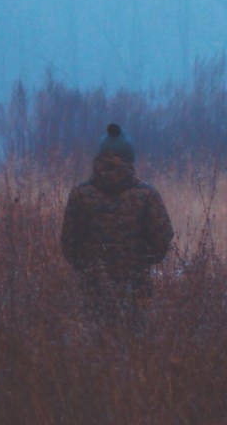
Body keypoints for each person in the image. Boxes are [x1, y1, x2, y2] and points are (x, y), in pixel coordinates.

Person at [60, 123, 174, 320]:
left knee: (93, 335)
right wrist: (142, 261)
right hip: (136, 287)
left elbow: (68, 243)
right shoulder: (147, 195)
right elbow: (162, 240)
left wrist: (86, 266)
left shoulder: (80, 194)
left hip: (92, 288)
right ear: (129, 157)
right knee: (136, 336)